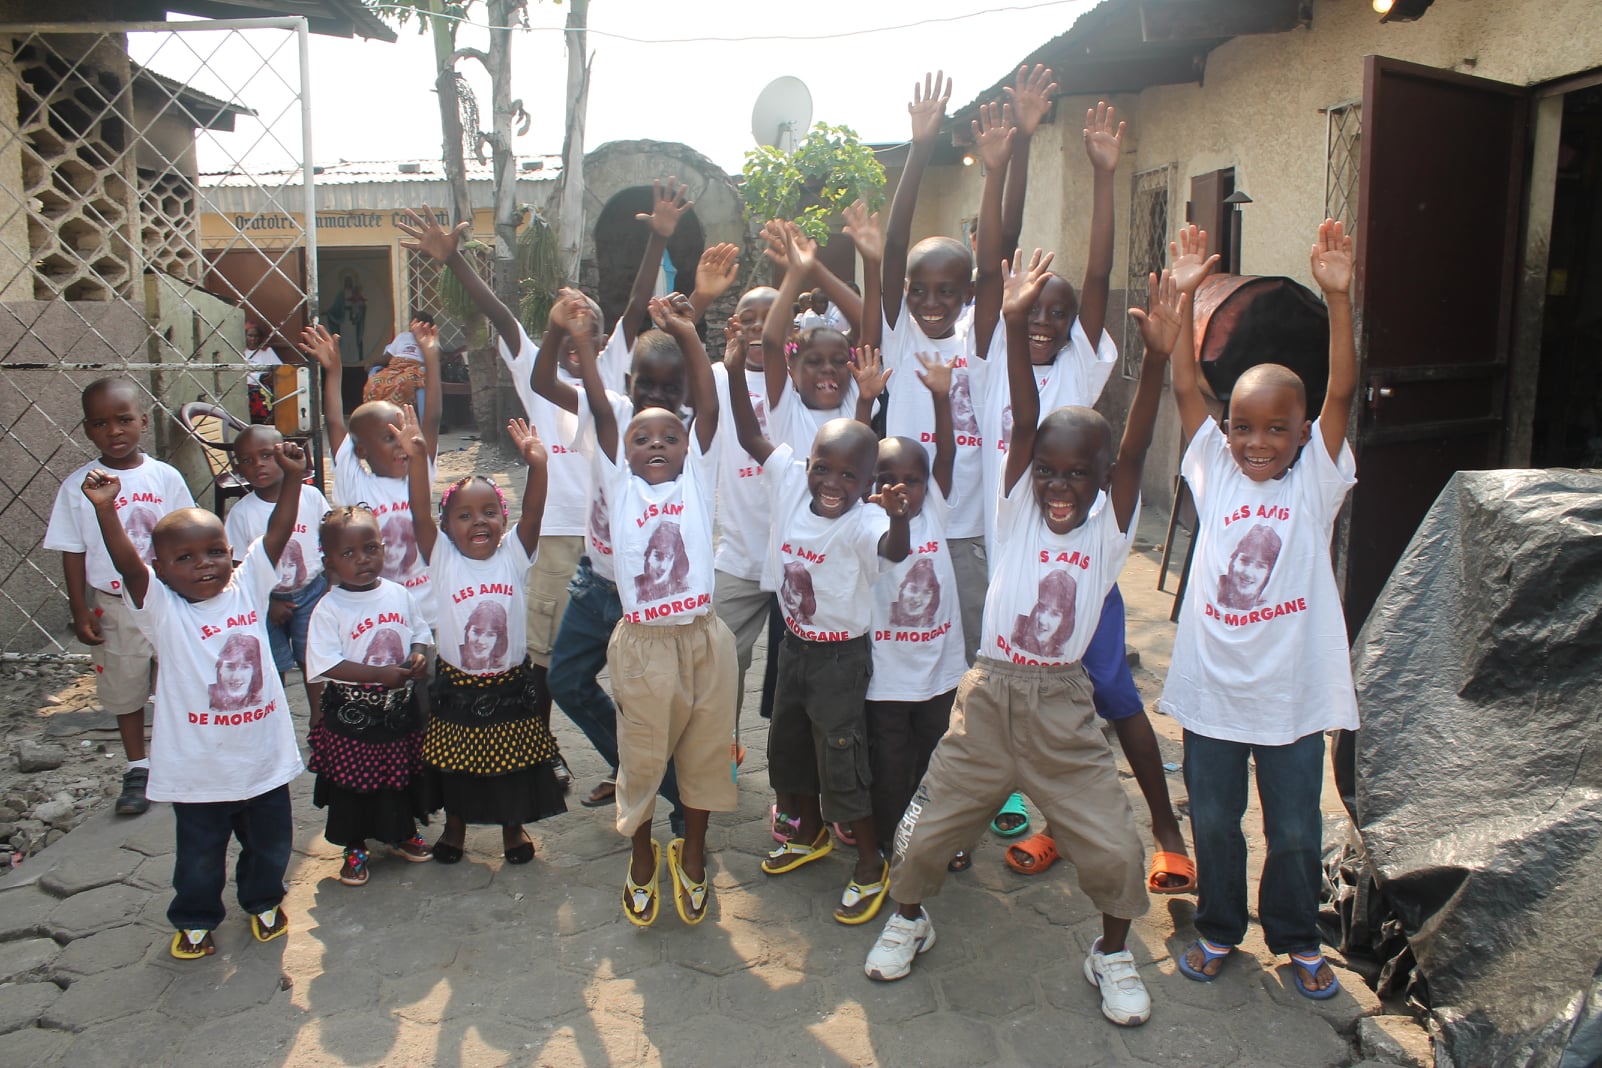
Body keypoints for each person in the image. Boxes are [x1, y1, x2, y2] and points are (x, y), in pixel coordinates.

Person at [864, 248, 1173, 1030]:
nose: (1060, 486)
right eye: (1051, 472)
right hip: (991, 694)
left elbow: (1133, 448)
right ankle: (910, 917)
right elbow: (1027, 420)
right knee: (926, 832)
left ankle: (1110, 953)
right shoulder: (1014, 506)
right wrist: (1007, 316)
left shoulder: (1110, 529)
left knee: (1113, 850)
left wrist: (1161, 358)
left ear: (1102, 479)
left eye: (1079, 474)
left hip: (1064, 708)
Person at [963, 74, 1192, 894]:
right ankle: (1049, 820)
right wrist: (1002, 162)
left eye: (1060, 314)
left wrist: (1104, 172)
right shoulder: (993, 358)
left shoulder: (1083, 367)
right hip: (1014, 566)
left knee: (1109, 688)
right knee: (1016, 697)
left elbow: (1095, 276)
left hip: (1085, 566)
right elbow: (996, 273)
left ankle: (1165, 825)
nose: (1048, 320)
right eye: (1039, 309)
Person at [1158, 220, 1360, 1001]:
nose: (1258, 441)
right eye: (1244, 426)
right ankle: (1217, 927)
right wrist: (1181, 298)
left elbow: (1341, 388)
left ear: (1303, 432)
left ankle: (1298, 940)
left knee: (1297, 832)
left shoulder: (1315, 482)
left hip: (1290, 695)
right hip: (1214, 691)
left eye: (1277, 428)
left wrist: (1338, 298)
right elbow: (1184, 387)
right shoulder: (1214, 468)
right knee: (1214, 823)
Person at [534, 179, 719, 818]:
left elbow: (699, 388)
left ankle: (667, 787)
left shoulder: (688, 437)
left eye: (672, 390)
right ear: (628, 383)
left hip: (661, 600)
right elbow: (547, 378)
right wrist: (568, 333)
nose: (658, 399)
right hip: (598, 584)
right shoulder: (610, 412)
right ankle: (645, 773)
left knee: (662, 700)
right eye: (647, 386)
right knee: (565, 681)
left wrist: (690, 327)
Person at [82, 439, 307, 959]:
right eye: (184, 558)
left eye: (213, 552)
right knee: (200, 856)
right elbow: (129, 567)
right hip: (199, 772)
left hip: (262, 761)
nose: (203, 564)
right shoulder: (161, 610)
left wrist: (292, 478)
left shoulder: (248, 587)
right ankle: (196, 918)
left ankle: (264, 901)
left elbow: (276, 534)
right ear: (160, 569)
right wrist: (106, 509)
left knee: (270, 845)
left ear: (230, 553)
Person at [728, 320, 913, 926]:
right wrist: (734, 369)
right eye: (822, 469)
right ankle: (804, 834)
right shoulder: (787, 477)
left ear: (868, 486)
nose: (833, 484)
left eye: (849, 478)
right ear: (806, 463)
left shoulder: (864, 522)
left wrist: (900, 518)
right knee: (785, 746)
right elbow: (752, 433)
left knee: (840, 754)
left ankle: (868, 862)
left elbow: (892, 555)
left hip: (840, 657)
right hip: (796, 647)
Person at [569, 289, 737, 928]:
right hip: (642, 645)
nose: (658, 442)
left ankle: (692, 855)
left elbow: (709, 403)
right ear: (622, 450)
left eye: (672, 433)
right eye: (643, 437)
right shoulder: (618, 479)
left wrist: (689, 333)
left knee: (702, 755)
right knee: (640, 759)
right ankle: (641, 854)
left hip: (703, 640)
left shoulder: (698, 474)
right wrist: (584, 342)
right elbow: (597, 398)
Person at [401, 406, 567, 865]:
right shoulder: (443, 559)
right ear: (447, 526)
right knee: (457, 765)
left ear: (503, 519)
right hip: (458, 688)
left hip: (510, 687)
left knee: (510, 766)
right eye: (464, 515)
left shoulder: (515, 554)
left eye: (489, 512)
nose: (478, 522)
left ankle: (512, 830)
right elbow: (417, 515)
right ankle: (455, 829)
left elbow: (534, 512)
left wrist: (539, 465)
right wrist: (418, 459)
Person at [44, 377, 195, 817]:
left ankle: (183, 755)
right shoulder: (79, 486)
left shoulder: (164, 477)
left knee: (179, 679)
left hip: (167, 599)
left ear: (143, 422)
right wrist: (80, 608)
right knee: (124, 690)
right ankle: (138, 767)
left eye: (124, 419)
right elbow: (72, 551)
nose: (114, 431)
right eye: (100, 423)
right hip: (113, 604)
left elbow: (188, 530)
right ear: (87, 430)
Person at [880, 72, 986, 666]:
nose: (931, 304)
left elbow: (997, 254)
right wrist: (919, 147)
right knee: (903, 640)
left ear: (967, 294)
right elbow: (895, 246)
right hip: (905, 517)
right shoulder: (900, 340)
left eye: (947, 292)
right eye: (918, 292)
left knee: (970, 652)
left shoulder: (979, 339)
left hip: (964, 527)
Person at [862, 351, 969, 865]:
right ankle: (890, 842)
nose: (900, 487)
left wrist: (943, 398)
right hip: (884, 677)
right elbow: (893, 546)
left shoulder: (938, 513)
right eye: (886, 477)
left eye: (913, 479)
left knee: (937, 760)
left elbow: (945, 454)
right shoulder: (867, 522)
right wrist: (864, 404)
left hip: (940, 672)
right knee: (889, 761)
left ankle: (939, 839)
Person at [304, 503, 435, 887]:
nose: (362, 559)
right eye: (348, 553)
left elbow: (420, 633)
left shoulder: (398, 594)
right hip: (352, 719)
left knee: (397, 778)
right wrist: (378, 675)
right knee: (353, 787)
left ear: (383, 548)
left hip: (397, 714)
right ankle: (355, 845)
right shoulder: (329, 608)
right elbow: (325, 663)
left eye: (370, 548)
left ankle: (401, 832)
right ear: (328, 560)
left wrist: (417, 656)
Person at [300, 315, 442, 629]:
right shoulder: (357, 485)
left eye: (405, 432)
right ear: (362, 451)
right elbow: (335, 423)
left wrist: (430, 358)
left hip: (427, 611)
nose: (403, 443)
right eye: (390, 437)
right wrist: (334, 371)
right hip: (376, 613)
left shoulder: (419, 472)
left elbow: (431, 419)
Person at [225, 424, 331, 714]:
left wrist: (331, 585)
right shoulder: (241, 514)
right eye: (247, 460)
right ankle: (278, 718)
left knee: (312, 658)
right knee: (272, 662)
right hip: (265, 600)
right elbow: (236, 569)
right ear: (238, 468)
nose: (258, 464)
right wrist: (267, 602)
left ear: (285, 454)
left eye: (266, 455)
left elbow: (329, 541)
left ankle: (318, 719)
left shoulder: (311, 498)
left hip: (311, 592)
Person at [362, 312, 435, 412]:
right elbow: (387, 357)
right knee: (375, 382)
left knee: (402, 383)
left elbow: (437, 358)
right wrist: (372, 363)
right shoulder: (403, 336)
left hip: (414, 368)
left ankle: (396, 416)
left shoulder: (430, 339)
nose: (413, 326)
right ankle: (375, 415)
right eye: (413, 323)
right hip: (394, 366)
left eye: (418, 324)